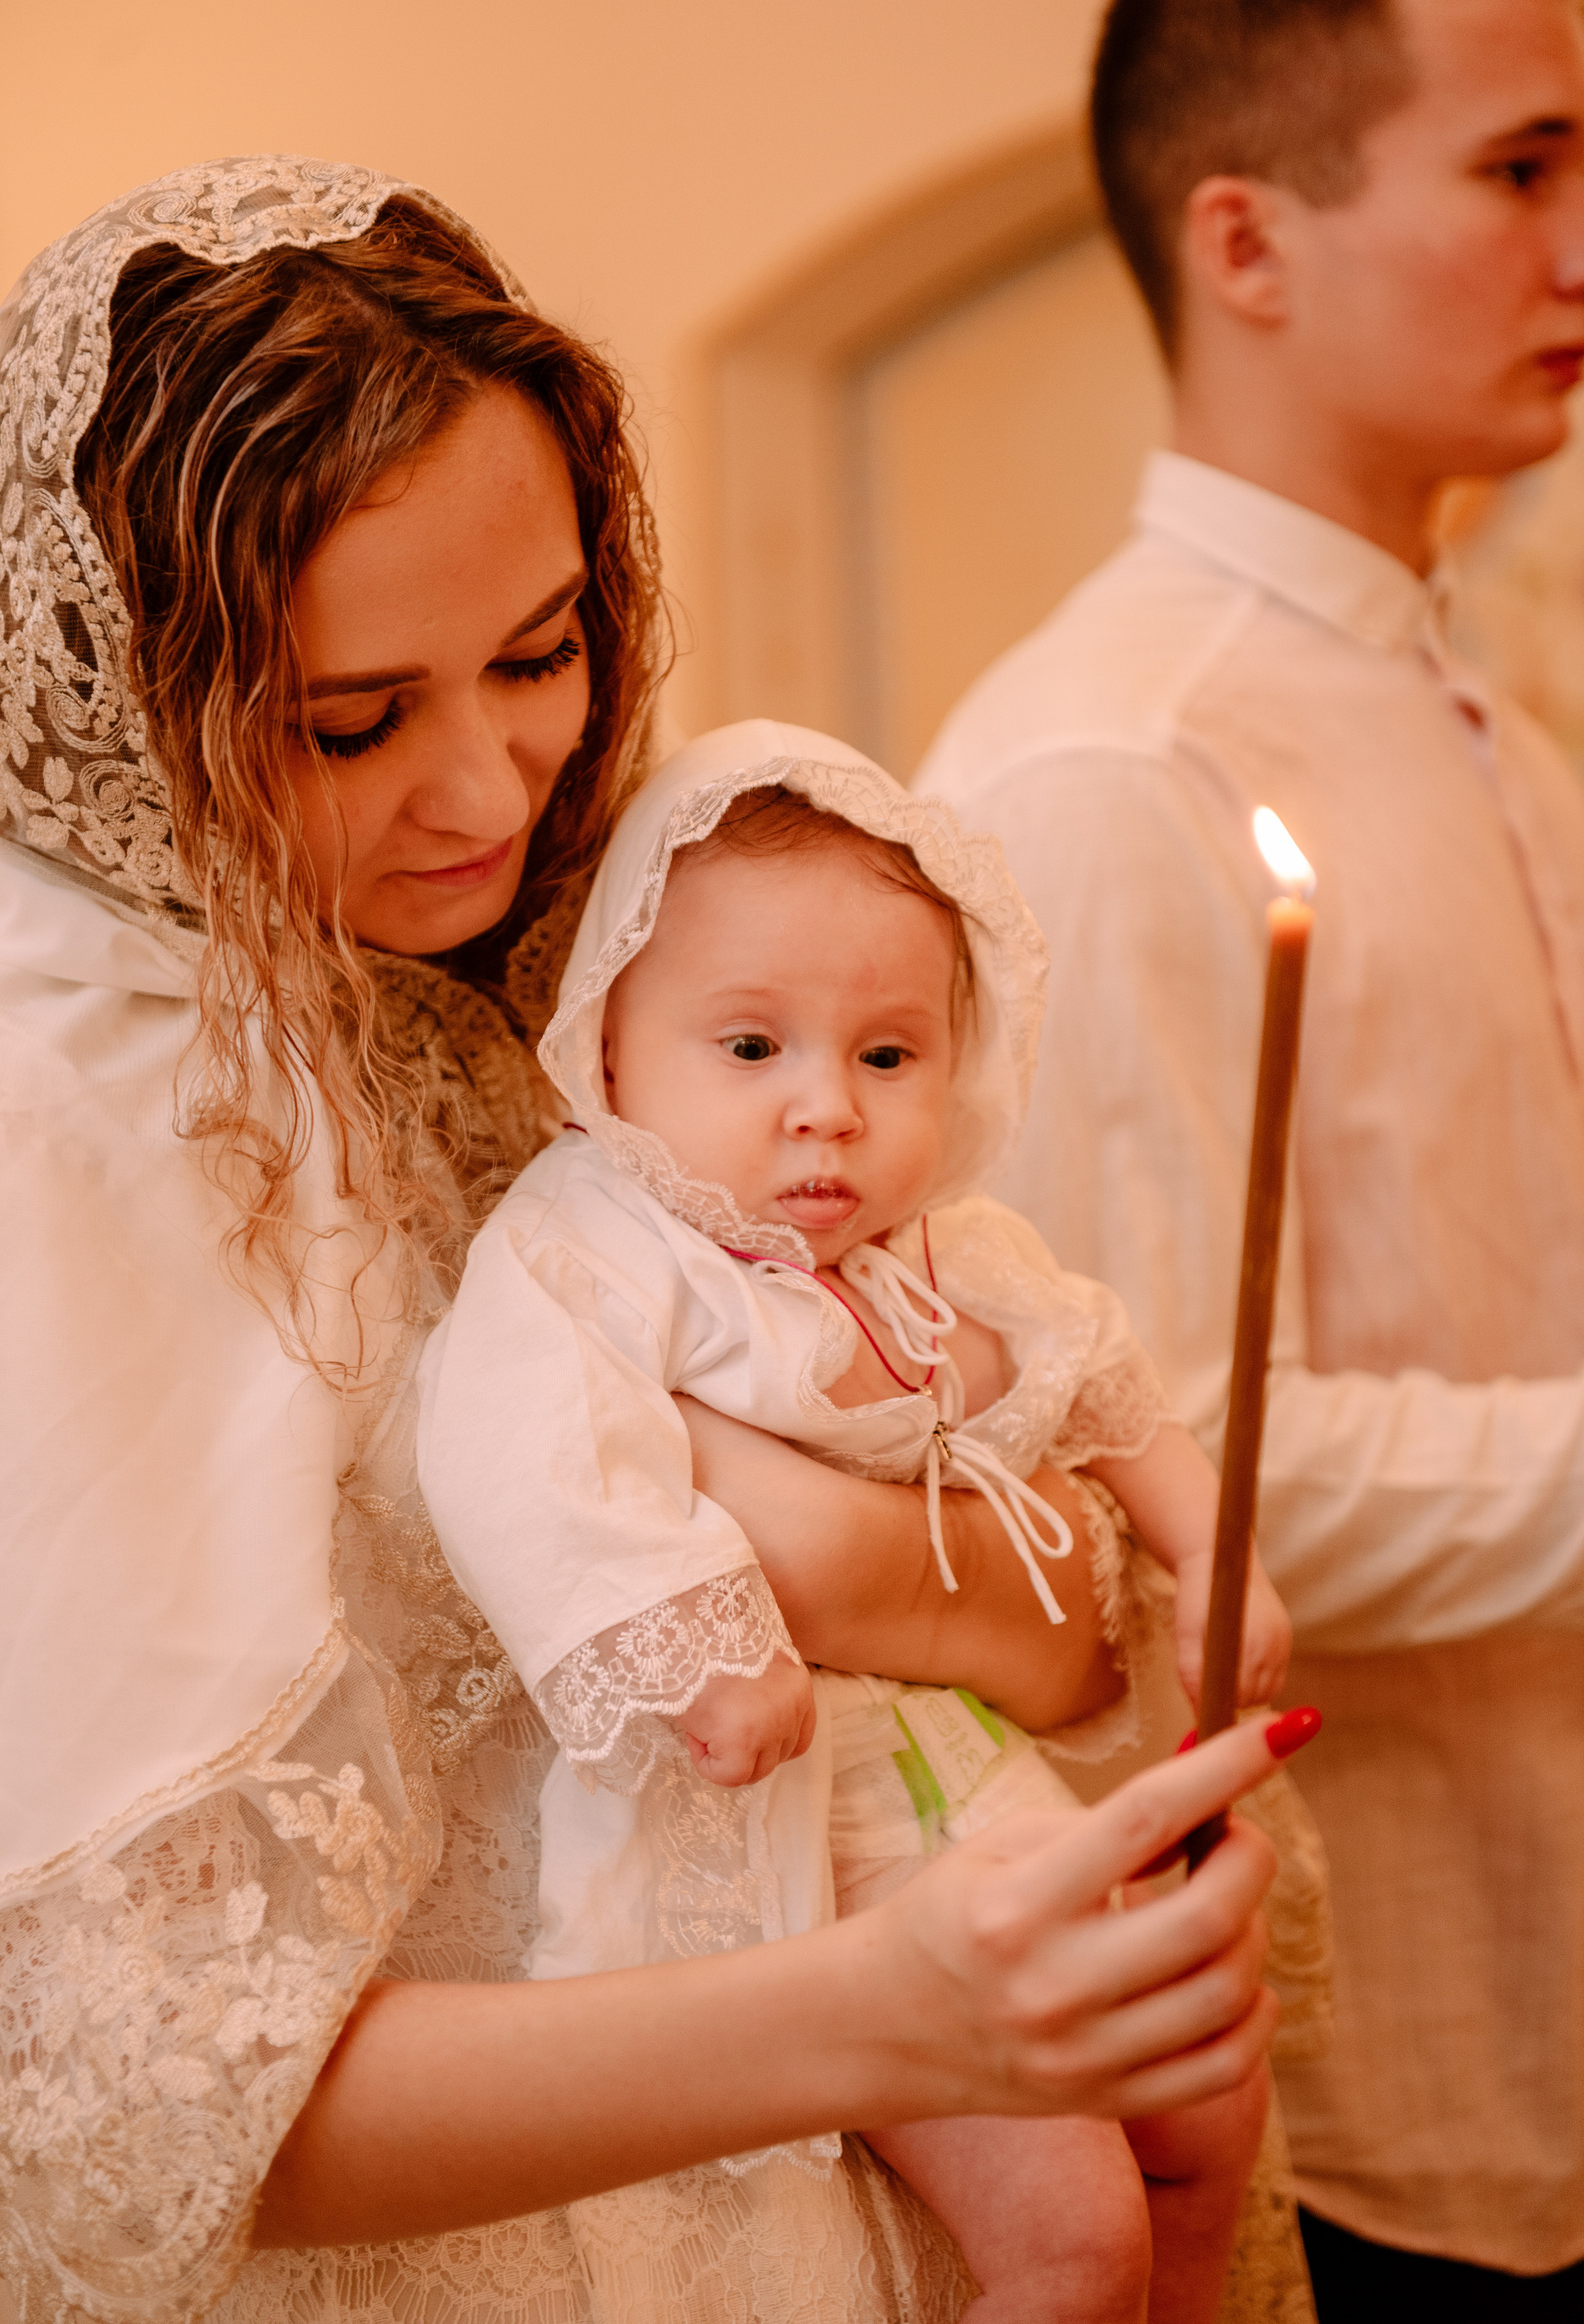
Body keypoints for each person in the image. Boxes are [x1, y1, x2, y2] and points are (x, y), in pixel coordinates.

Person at [0, 157, 1290, 2324]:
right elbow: (117, 2112)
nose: (496, 788)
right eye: (348, 720)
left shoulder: (610, 959)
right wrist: (889, 2010)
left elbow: (1055, 1568)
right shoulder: (80, 1106)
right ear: (128, 694)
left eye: (542, 650)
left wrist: (928, 1593)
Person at [916, 0, 1584, 2309]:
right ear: (1246, 241)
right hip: (1359, 2067)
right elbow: (1130, 1471)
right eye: (1521, 168)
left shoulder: (1474, 696)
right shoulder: (1114, 766)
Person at [416, 725, 1300, 2324]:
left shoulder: (947, 1247)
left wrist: (1197, 1550)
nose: (826, 1109)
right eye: (752, 1048)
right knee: (1072, 2235)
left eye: (886, 1056)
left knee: (1207, 2113)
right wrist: (693, 1636)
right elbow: (525, 1447)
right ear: (610, 1044)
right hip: (825, 1847)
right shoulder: (599, 1245)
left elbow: (1094, 1366)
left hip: (972, 1776)